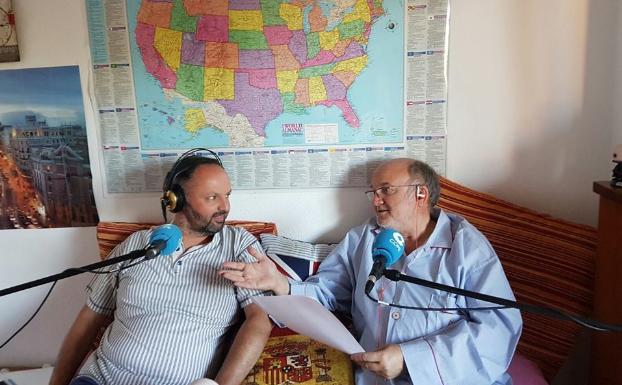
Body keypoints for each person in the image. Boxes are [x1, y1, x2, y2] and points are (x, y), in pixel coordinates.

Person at [220, 158, 523, 385]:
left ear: (420, 194)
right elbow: (326, 293)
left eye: (386, 190)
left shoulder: (466, 246)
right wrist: (280, 284)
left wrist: (410, 359)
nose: (376, 200)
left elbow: (499, 328)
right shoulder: (363, 238)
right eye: (374, 192)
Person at [49, 150, 272, 385]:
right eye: (211, 197)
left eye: (227, 195)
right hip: (102, 378)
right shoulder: (136, 244)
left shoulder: (239, 245)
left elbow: (258, 320)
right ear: (176, 199)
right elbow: (89, 317)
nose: (225, 206)